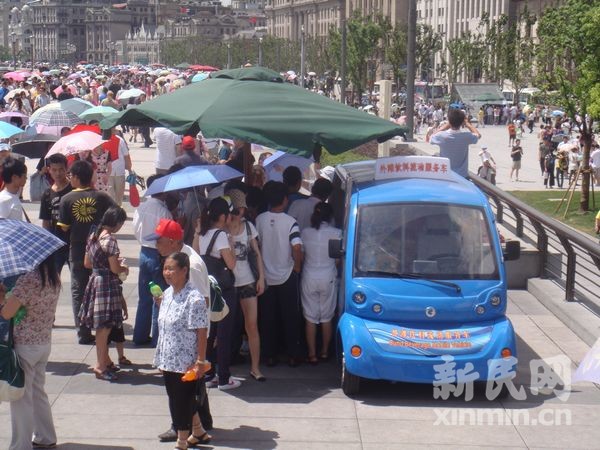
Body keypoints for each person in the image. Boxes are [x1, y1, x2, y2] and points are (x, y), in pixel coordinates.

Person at [149, 218, 213, 442]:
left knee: (184, 394)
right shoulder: (173, 268)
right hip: (175, 349)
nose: (156, 245)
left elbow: (200, 303)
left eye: (160, 241)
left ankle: (182, 433)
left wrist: (200, 357)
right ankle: (198, 429)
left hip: (188, 346)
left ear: (174, 242)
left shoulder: (191, 266)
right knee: (184, 392)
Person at [0, 253, 61, 450]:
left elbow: (7, 313)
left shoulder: (29, 279)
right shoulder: (54, 278)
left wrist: (3, 298)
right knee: (37, 391)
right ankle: (46, 435)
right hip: (44, 342)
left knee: (21, 397)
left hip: (25, 344)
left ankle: (20, 445)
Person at [58, 160, 116, 344]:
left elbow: (64, 227)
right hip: (100, 250)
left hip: (77, 250)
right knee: (103, 289)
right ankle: (103, 328)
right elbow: (117, 213)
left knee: (79, 290)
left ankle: (83, 332)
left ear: (75, 177)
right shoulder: (102, 197)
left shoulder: (66, 199)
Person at [255, 181, 304, 367]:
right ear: (285, 200)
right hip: (286, 275)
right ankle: (293, 354)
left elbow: (256, 245)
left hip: (265, 276)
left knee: (267, 318)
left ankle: (269, 355)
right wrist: (297, 266)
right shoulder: (291, 222)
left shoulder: (259, 220)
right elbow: (297, 246)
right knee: (290, 316)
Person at [195, 197, 241, 390]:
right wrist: (230, 239)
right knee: (224, 334)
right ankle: (224, 377)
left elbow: (196, 254)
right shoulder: (221, 235)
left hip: (208, 287)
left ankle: (211, 374)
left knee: (210, 332)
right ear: (223, 216)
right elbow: (231, 264)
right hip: (224, 289)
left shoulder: (202, 233)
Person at [79, 206, 129, 381]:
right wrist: (124, 267)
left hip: (95, 280)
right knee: (104, 327)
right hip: (107, 284)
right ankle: (101, 365)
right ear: (117, 223)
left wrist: (102, 266)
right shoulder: (110, 240)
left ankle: (105, 361)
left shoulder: (93, 237)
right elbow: (116, 269)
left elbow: (86, 263)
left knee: (102, 326)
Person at [225, 189, 266, 381]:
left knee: (252, 325)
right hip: (229, 283)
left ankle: (255, 368)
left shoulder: (249, 227)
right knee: (226, 326)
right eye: (240, 208)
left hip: (248, 280)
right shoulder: (222, 229)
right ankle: (223, 368)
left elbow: (257, 253)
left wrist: (261, 278)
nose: (242, 212)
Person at [132, 175, 172, 346]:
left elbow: (135, 229)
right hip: (158, 254)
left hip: (144, 252)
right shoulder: (163, 211)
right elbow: (168, 234)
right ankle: (157, 337)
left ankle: (140, 335)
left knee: (144, 297)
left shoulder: (141, 207)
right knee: (159, 297)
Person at [300, 202, 341, 364]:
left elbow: (301, 256)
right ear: (330, 216)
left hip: (309, 276)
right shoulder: (337, 233)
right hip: (328, 277)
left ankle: (312, 354)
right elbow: (338, 260)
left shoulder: (305, 233)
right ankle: (324, 351)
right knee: (326, 317)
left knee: (310, 317)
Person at [40, 153, 73, 273]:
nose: (58, 173)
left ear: (67, 169)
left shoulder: (74, 189)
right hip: (55, 243)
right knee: (53, 281)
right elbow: (46, 221)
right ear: (49, 170)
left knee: (78, 283)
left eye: (61, 170)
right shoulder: (47, 194)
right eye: (54, 170)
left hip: (73, 243)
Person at [429, 107, 481, 178]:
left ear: (449, 121)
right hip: (462, 175)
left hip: (445, 174)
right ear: (462, 122)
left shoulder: (442, 136)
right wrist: (467, 124)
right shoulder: (466, 136)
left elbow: (431, 136)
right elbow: (478, 135)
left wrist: (445, 126)